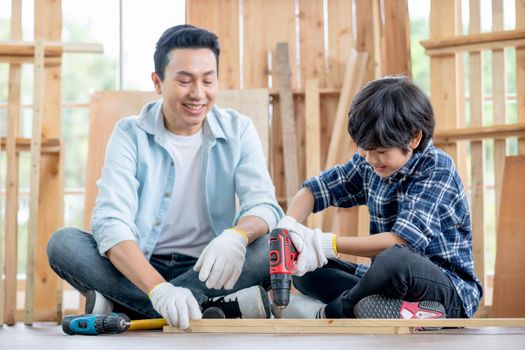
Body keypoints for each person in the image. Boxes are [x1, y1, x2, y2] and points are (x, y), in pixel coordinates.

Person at [47, 24, 283, 330]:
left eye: (208, 80)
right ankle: (206, 308)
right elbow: (110, 220)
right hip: (140, 264)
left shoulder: (239, 129)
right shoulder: (130, 133)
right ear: (158, 83)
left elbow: (264, 205)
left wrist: (235, 237)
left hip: (210, 266)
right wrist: (159, 289)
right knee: (63, 243)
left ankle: (123, 306)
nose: (198, 93)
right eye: (184, 81)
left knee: (270, 245)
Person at [278, 76, 483, 320]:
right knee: (306, 269)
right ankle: (401, 311)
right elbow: (314, 190)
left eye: (381, 152)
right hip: (389, 283)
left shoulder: (438, 169)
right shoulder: (371, 163)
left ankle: (331, 313)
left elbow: (399, 241)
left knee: (395, 259)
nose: (371, 159)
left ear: (414, 139)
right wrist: (287, 227)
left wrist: (326, 243)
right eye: (365, 149)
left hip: (448, 290)